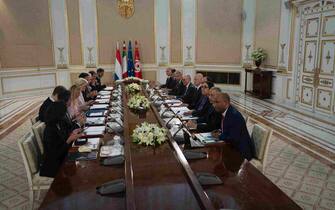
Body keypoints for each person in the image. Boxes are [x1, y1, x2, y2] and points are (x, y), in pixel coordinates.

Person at [40, 101, 83, 177]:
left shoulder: (58, 123)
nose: (65, 115)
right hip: (54, 165)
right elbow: (56, 153)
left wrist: (72, 132)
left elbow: (64, 137)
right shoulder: (49, 130)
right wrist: (69, 140)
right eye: (63, 113)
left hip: (63, 157)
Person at [212, 93, 255, 161]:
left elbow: (233, 139)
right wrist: (219, 132)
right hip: (232, 148)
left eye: (217, 102)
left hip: (240, 153)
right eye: (214, 102)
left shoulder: (234, 116)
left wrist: (219, 136)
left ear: (226, 103)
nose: (214, 105)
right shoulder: (225, 112)